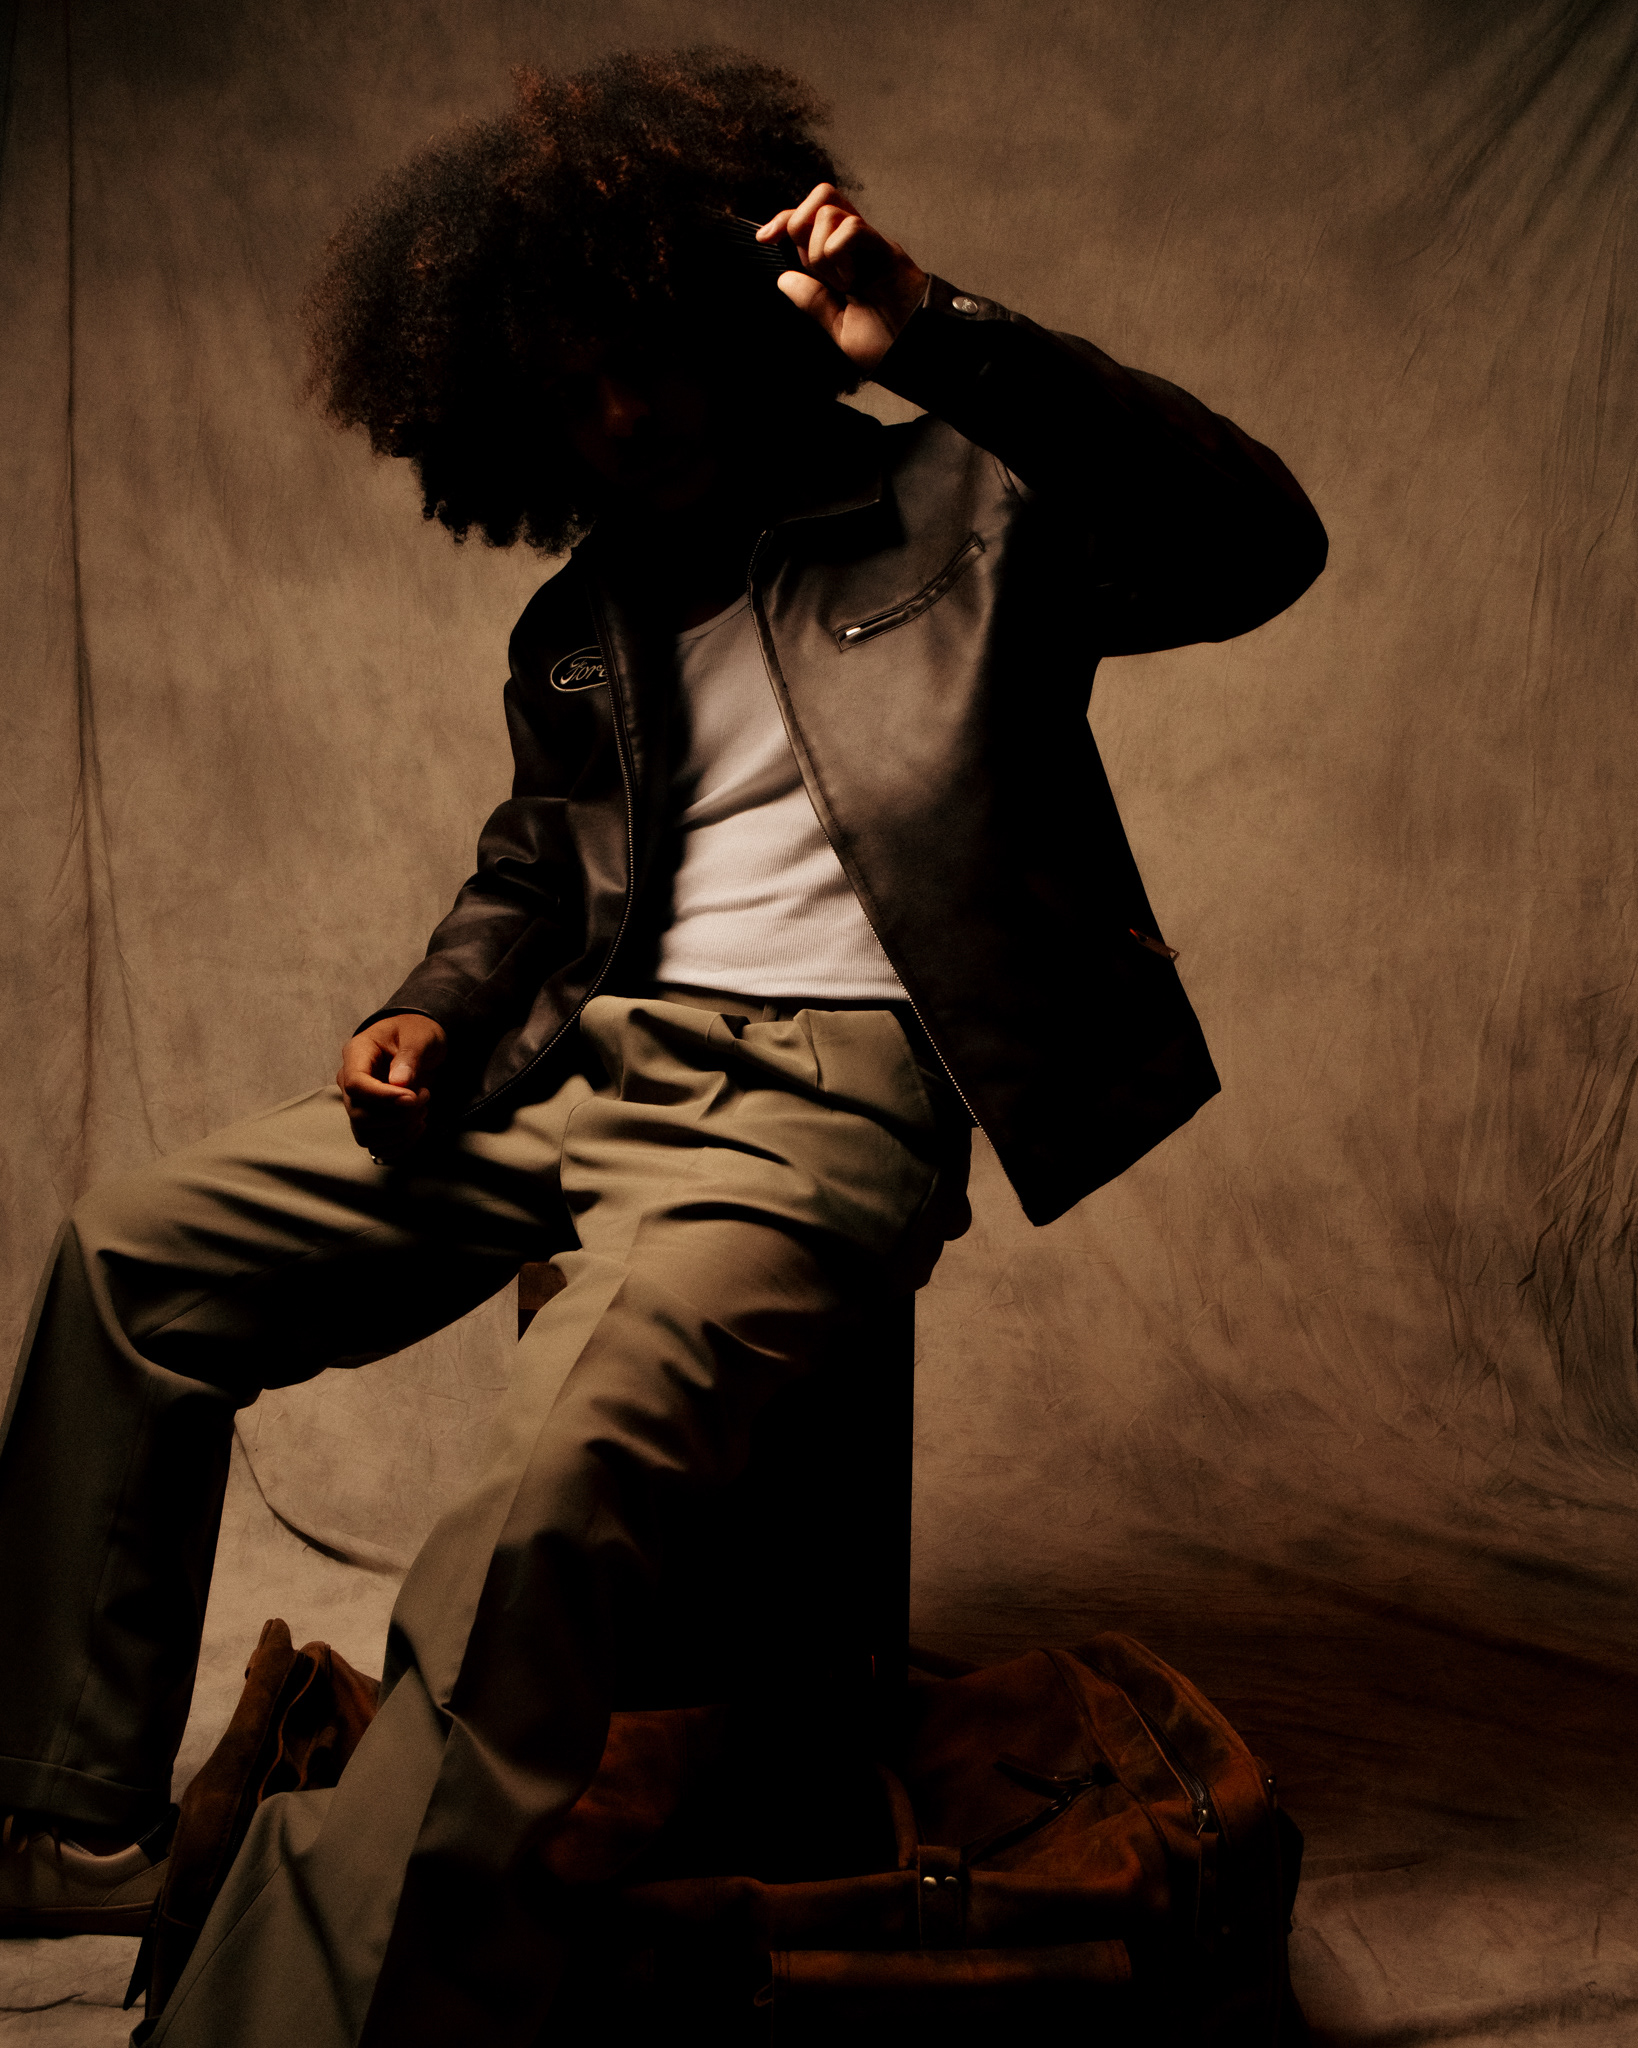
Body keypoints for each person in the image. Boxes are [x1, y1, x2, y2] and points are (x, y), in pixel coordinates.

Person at [0, 45, 1326, 2047]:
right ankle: (55, 1821)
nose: (624, 416)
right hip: (576, 1070)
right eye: (573, 389)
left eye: (649, 359)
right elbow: (539, 864)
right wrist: (432, 1006)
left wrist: (937, 333)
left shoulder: (967, 503)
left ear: (733, 322)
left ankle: (287, 2008)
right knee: (132, 1257)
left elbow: (1255, 544)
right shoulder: (581, 618)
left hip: (817, 1105)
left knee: (541, 1494)